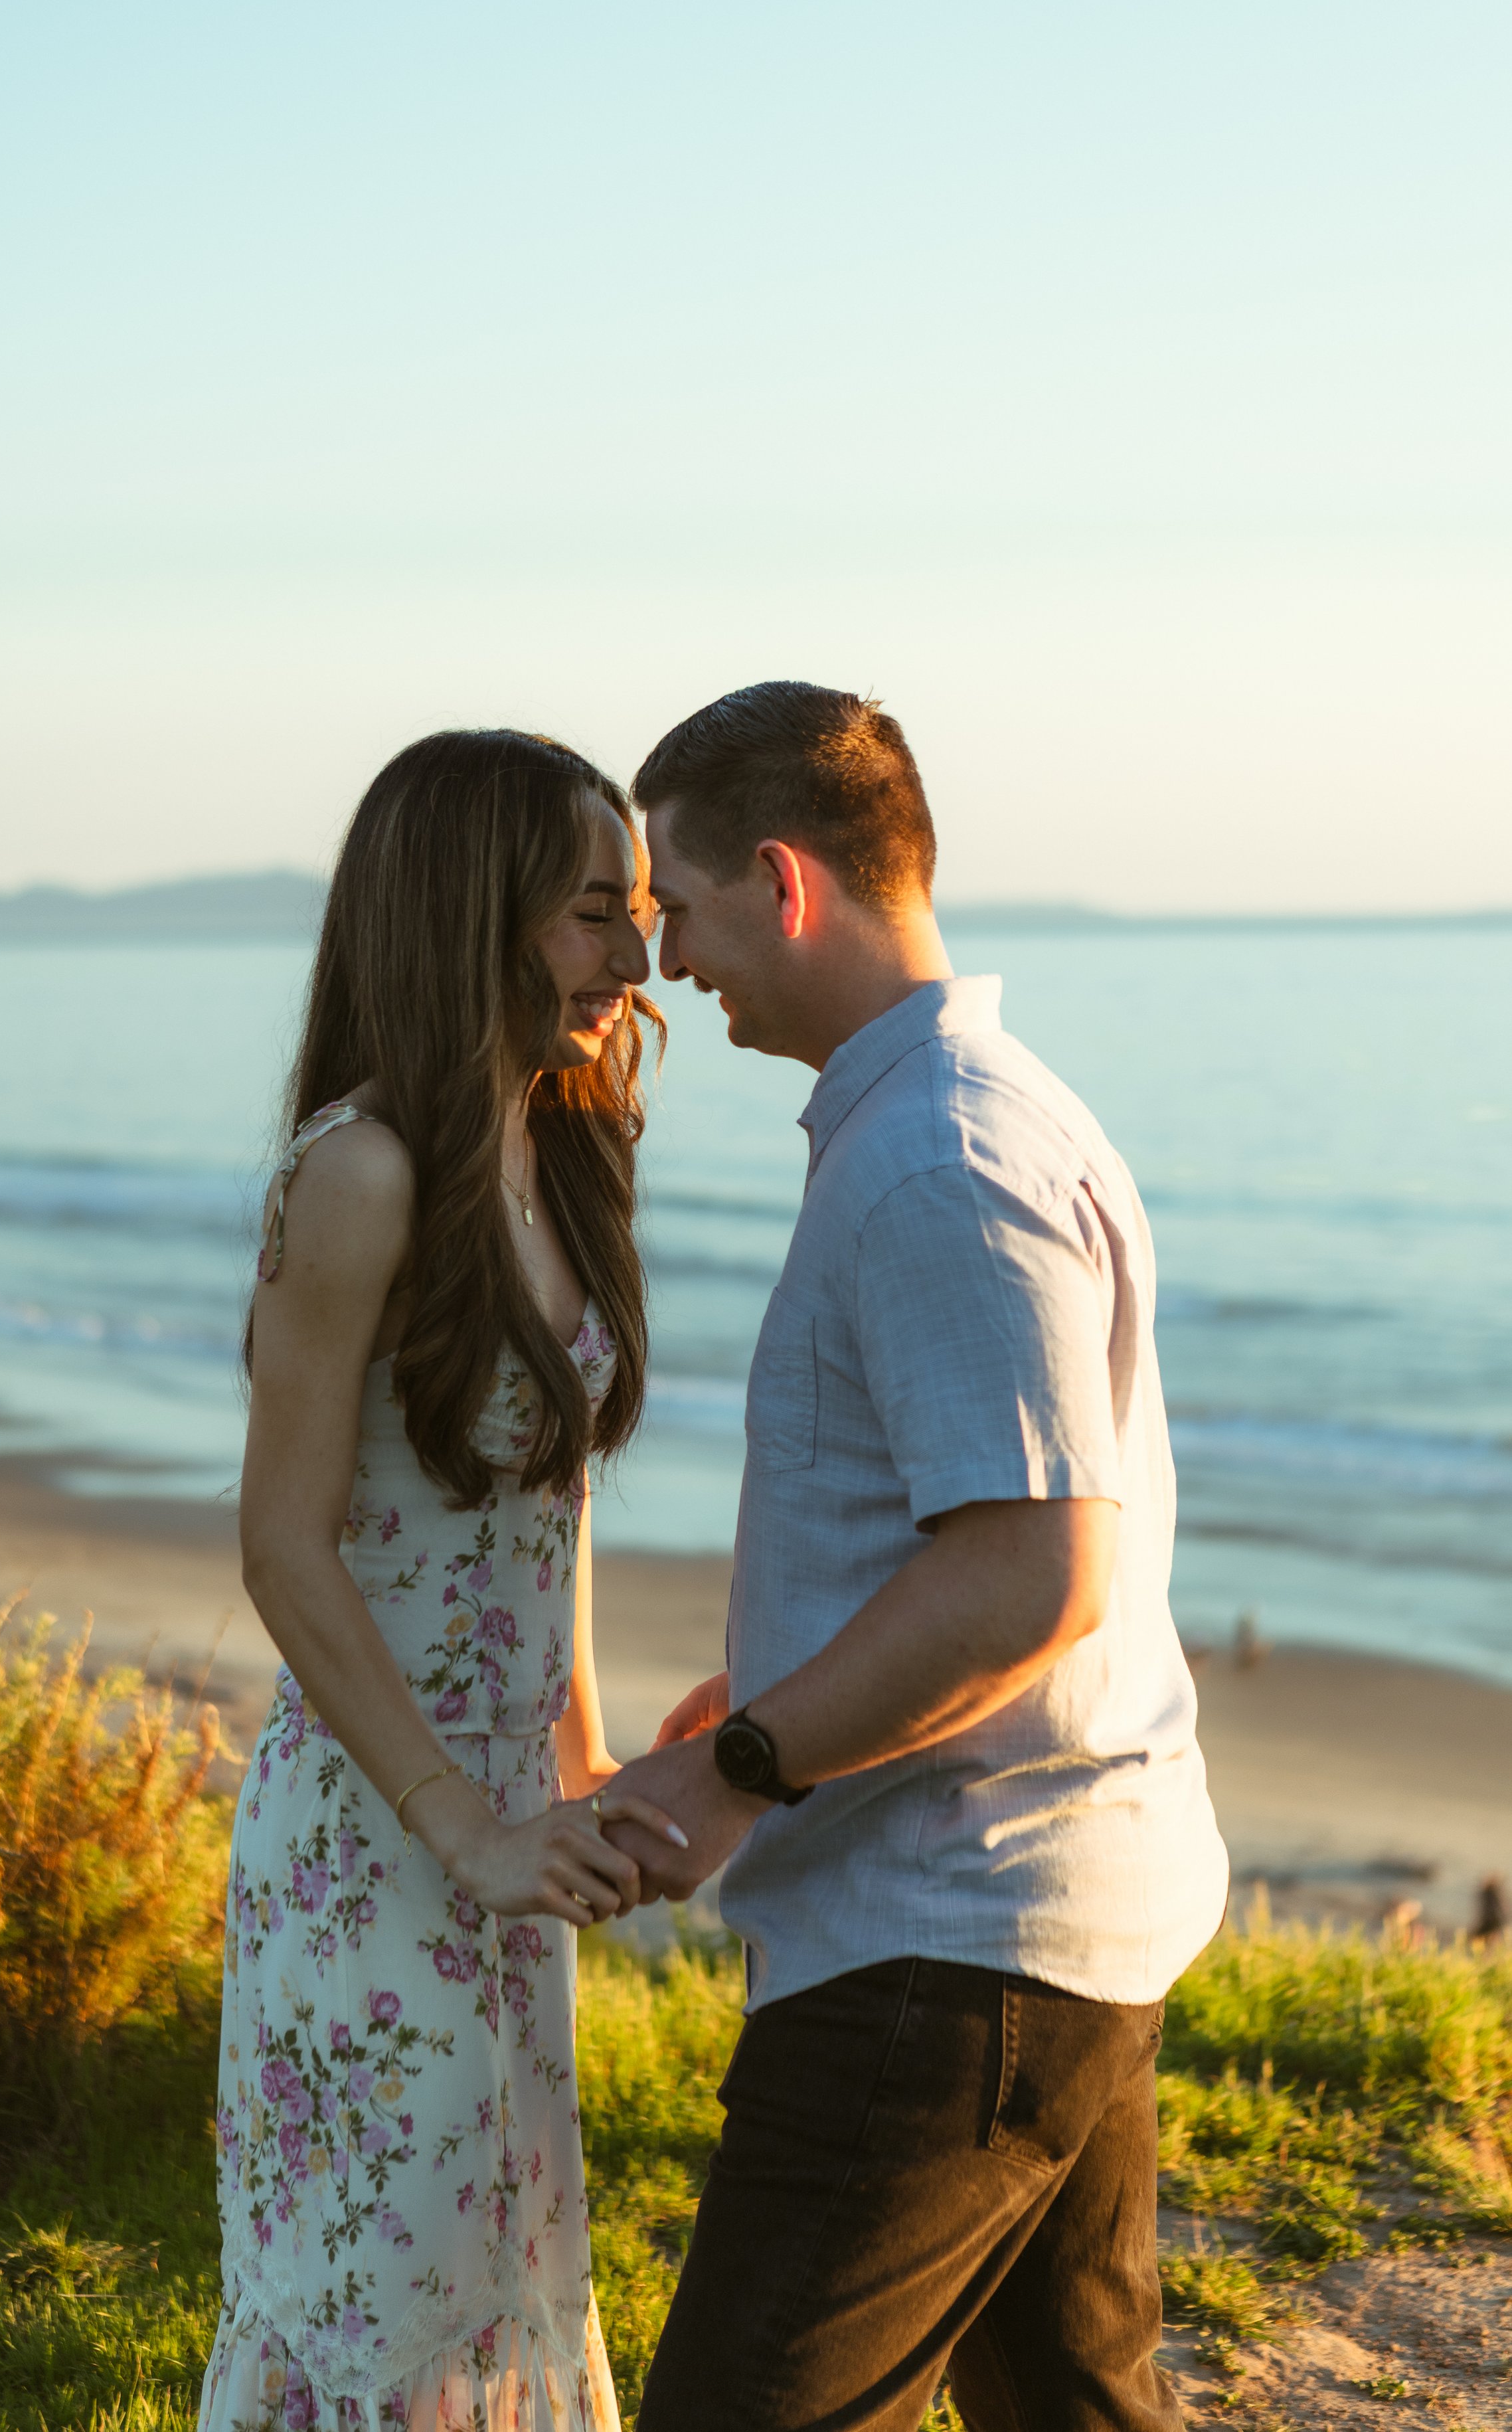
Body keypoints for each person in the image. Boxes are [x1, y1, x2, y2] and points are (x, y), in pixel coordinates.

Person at [602, 682, 1230, 2432]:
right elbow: (954, 1527)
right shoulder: (958, 1117)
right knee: (1073, 2402)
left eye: (678, 901)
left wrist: (743, 1765)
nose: (662, 958)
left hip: (949, 1942)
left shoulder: (939, 1157)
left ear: (785, 886)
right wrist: (773, 1679)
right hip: (1034, 1900)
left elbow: (1034, 1574)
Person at [199, 729, 685, 2432]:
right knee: (378, 2301)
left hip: (498, 1814)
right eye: (589, 914)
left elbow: (545, 1505)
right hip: (371, 1827)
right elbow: (283, 1544)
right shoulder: (361, 1169)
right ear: (461, 914)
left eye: (633, 910)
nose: (637, 958)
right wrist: (460, 1821)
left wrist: (582, 1767)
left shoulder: (551, 1148)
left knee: (500, 2277)